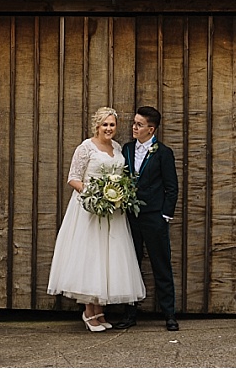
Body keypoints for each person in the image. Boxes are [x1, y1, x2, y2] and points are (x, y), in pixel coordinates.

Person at [47, 106, 146, 332]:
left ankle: (99, 310)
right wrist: (95, 195)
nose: (109, 128)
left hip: (113, 211)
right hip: (89, 209)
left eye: (112, 125)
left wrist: (118, 194)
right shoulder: (86, 147)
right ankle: (88, 312)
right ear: (97, 126)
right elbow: (73, 178)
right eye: (105, 125)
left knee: (107, 258)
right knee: (91, 258)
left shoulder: (117, 147)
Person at [115, 105, 180, 331]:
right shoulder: (127, 149)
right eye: (134, 123)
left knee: (161, 264)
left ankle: (169, 314)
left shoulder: (163, 153)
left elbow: (172, 188)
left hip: (154, 217)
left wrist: (164, 215)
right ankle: (130, 313)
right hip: (130, 217)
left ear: (150, 129)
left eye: (139, 125)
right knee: (130, 264)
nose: (134, 127)